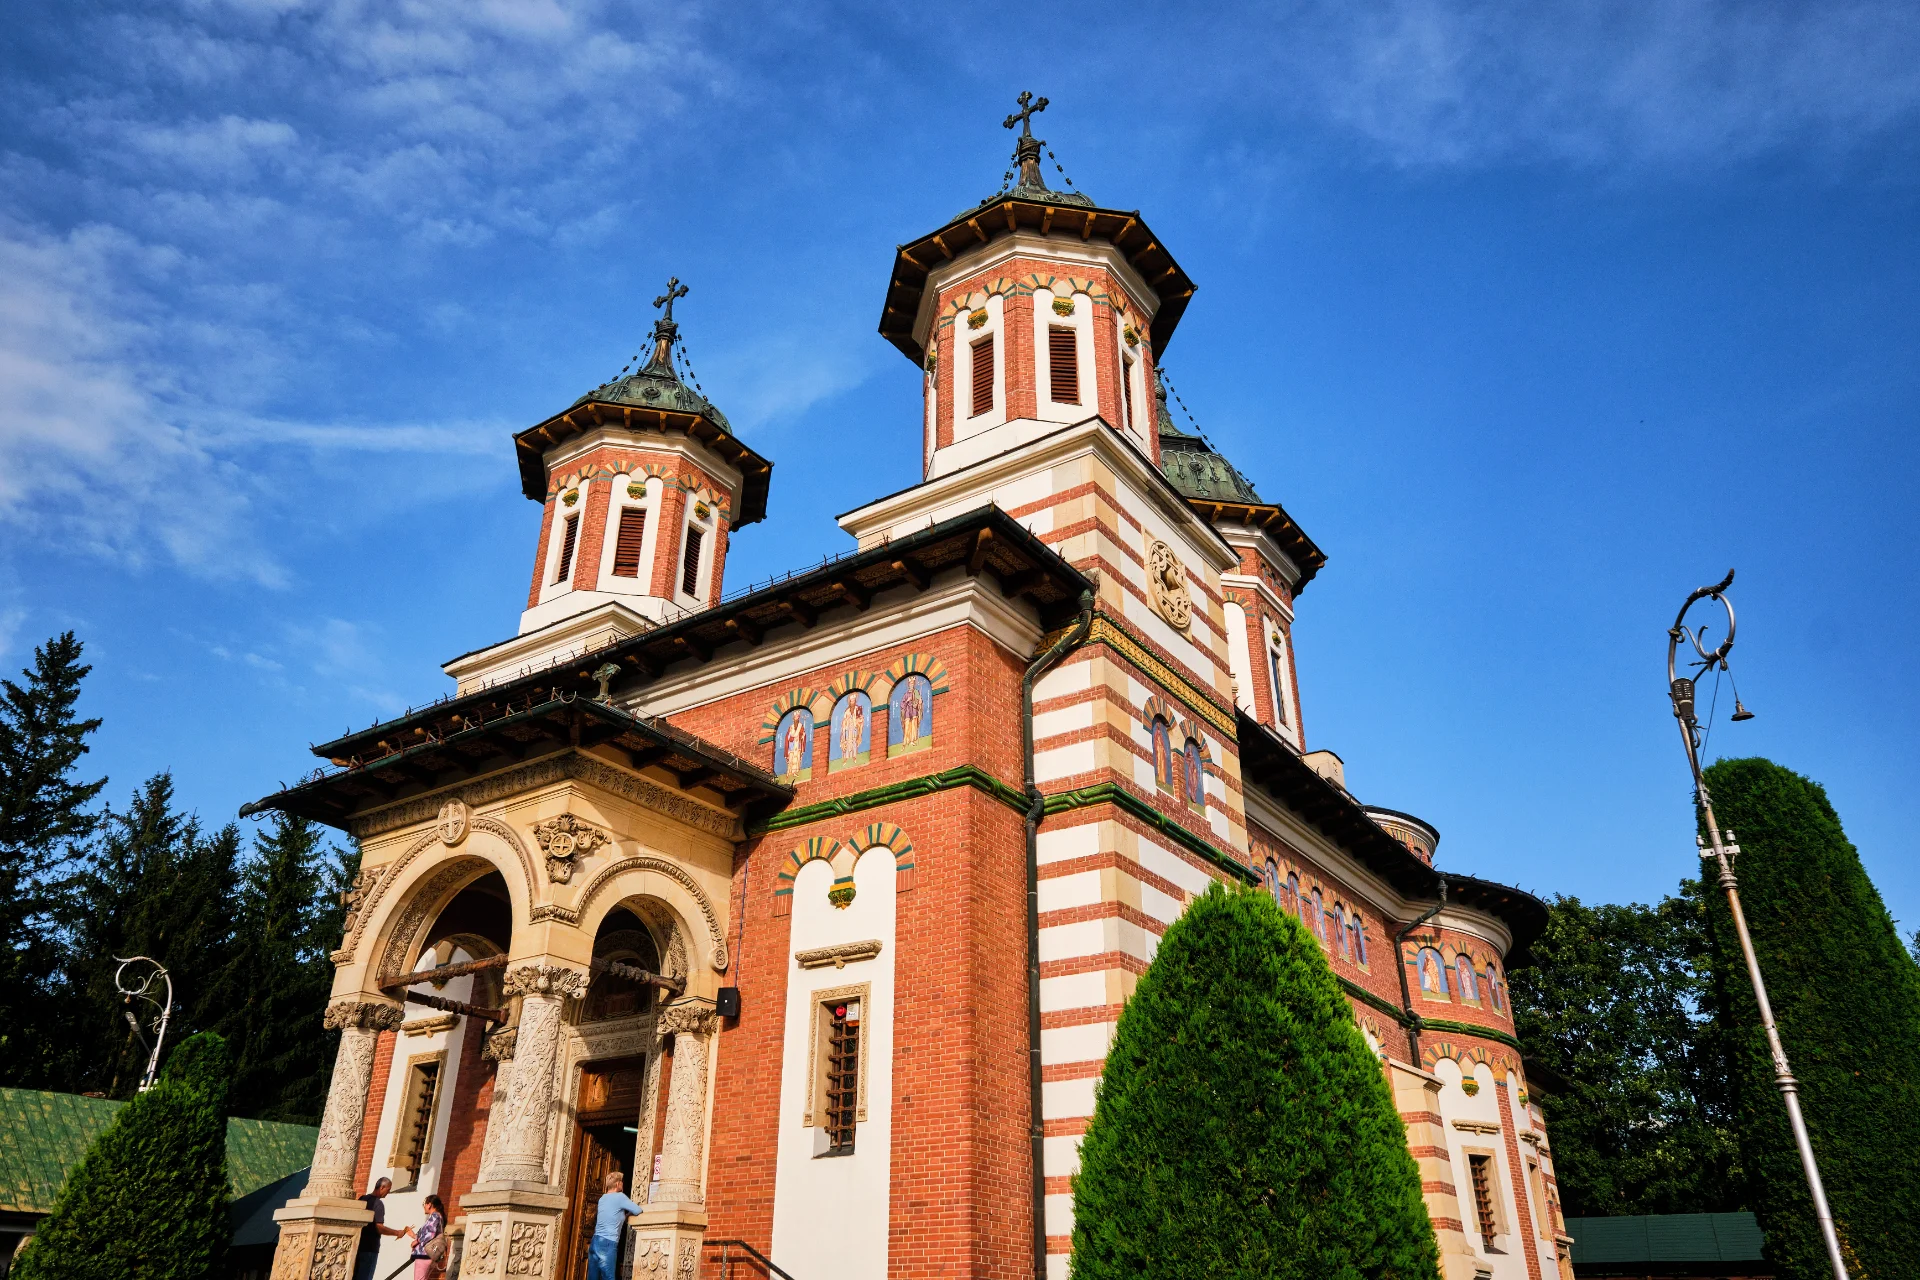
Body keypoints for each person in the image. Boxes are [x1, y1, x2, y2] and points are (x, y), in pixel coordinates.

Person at [588, 1169, 644, 1280]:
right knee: (608, 1277)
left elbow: (611, 1215)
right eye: (622, 1182)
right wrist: (628, 1215)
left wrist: (624, 1216)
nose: (623, 1184)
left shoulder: (602, 1198)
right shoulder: (620, 1197)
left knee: (593, 1278)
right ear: (618, 1184)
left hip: (595, 1241)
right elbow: (638, 1210)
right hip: (608, 1242)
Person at [354, 1178, 411, 1280]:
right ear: (382, 1187)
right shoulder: (378, 1204)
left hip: (357, 1245)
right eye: (388, 1190)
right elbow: (379, 1227)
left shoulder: (363, 1198)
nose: (388, 1193)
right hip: (370, 1248)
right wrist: (397, 1232)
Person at [410, 1195, 447, 1279]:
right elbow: (430, 1234)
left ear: (429, 1205)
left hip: (425, 1254)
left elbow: (430, 1234)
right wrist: (414, 1235)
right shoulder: (439, 1217)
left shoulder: (435, 1216)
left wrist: (417, 1241)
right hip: (431, 1254)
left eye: (424, 1204)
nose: (424, 1206)